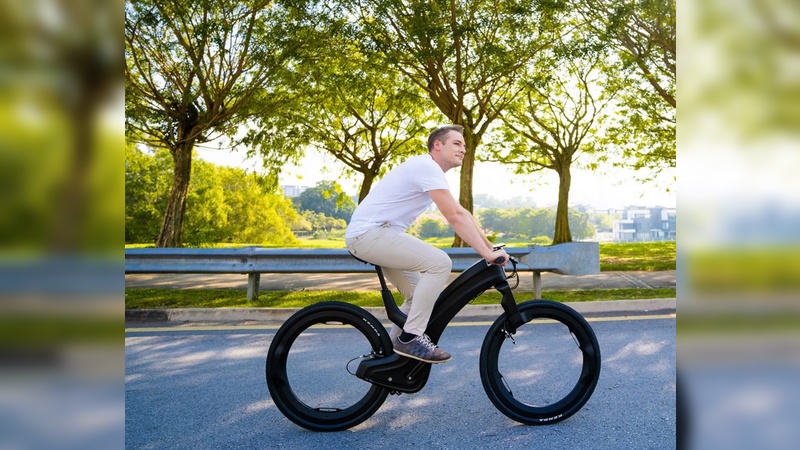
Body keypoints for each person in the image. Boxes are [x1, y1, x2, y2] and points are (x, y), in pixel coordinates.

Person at [345, 125, 509, 363]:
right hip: (370, 235)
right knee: (440, 263)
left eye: (464, 145)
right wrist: (486, 253)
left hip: (377, 235)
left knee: (416, 295)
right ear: (438, 145)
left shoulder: (430, 172)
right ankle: (411, 337)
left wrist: (490, 247)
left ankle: (392, 356)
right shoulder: (427, 167)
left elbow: (462, 213)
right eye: (457, 143)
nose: (463, 149)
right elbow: (453, 217)